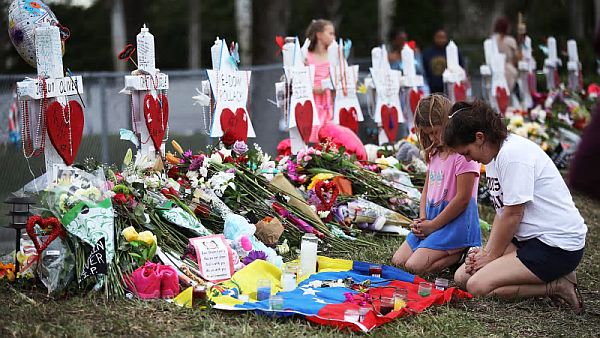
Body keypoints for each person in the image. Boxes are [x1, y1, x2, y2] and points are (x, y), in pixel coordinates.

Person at [444, 100, 587, 314]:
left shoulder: (512, 155)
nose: (467, 158)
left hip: (556, 246)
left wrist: (491, 256)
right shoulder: (494, 156)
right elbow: (503, 212)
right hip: (529, 240)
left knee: (477, 286)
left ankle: (557, 285)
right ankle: (552, 276)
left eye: (466, 152)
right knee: (463, 276)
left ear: (480, 138)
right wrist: (486, 252)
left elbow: (513, 214)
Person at [391, 94, 481, 274]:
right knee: (398, 261)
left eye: (436, 131)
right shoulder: (434, 153)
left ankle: (459, 253)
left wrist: (433, 226)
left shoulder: (463, 154)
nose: (433, 137)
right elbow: (427, 187)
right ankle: (438, 248)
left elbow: (463, 199)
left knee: (413, 266)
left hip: (455, 223)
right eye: (428, 133)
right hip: (433, 218)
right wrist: (423, 219)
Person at [305, 19, 335, 142]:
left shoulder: (333, 55)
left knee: (328, 133)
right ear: (319, 34)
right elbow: (299, 80)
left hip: (327, 100)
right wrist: (313, 88)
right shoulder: (306, 55)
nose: (333, 37)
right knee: (311, 130)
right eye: (330, 33)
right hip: (311, 99)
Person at [422, 29, 464, 94]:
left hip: (450, 84)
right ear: (434, 38)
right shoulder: (427, 53)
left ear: (446, 38)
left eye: (443, 37)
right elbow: (424, 68)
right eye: (438, 37)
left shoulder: (453, 51)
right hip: (434, 85)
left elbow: (461, 66)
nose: (440, 40)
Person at [492, 17, 520, 92]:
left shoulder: (493, 39)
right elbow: (517, 56)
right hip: (508, 68)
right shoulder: (510, 40)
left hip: (495, 68)